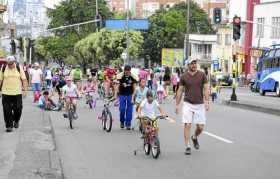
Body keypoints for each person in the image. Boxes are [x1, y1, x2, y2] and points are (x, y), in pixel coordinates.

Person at [175, 58, 210, 155]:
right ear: (188, 65)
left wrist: (207, 101)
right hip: (188, 103)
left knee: (200, 127)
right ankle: (188, 146)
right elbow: (180, 90)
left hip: (200, 104)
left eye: (195, 63)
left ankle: (194, 137)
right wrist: (177, 105)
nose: (194, 65)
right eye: (192, 63)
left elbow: (206, 88)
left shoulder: (202, 75)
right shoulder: (184, 76)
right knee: (187, 124)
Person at [0, 56, 28, 132]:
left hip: (17, 93)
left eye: (11, 63)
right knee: (6, 110)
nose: (10, 65)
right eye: (8, 64)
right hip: (6, 93)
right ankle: (9, 126)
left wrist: (25, 90)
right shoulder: (3, 67)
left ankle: (16, 120)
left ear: (14, 62)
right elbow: (0, 79)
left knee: (18, 109)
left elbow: (24, 80)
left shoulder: (19, 67)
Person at [116, 65, 138, 130]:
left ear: (130, 71)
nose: (127, 72)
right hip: (122, 95)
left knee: (129, 110)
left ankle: (128, 124)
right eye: (126, 71)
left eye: (128, 71)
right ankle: (122, 122)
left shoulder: (133, 77)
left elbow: (134, 88)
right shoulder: (120, 76)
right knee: (122, 109)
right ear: (124, 70)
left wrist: (133, 97)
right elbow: (117, 86)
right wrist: (116, 94)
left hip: (130, 95)